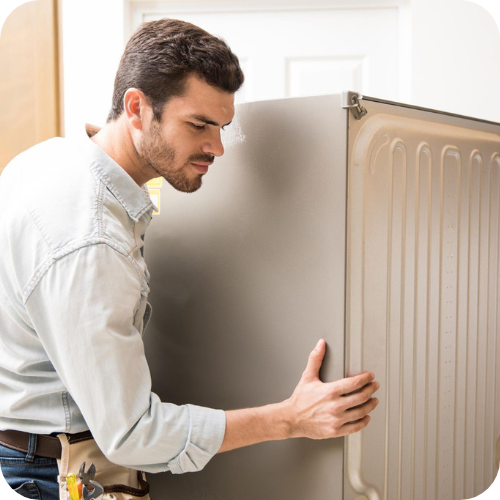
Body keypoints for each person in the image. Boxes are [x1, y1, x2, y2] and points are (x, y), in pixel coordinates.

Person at [0, 18, 379, 500]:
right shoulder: (91, 239)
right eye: (198, 125)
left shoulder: (50, 159)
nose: (217, 148)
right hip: (50, 476)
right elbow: (133, 433)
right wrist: (291, 418)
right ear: (137, 108)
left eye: (221, 127)